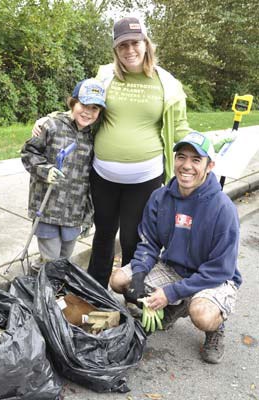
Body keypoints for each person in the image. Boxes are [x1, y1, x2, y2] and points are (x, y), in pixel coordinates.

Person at [32, 16, 193, 288]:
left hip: (145, 178)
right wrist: (49, 119)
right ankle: (95, 290)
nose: (130, 50)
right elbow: (84, 106)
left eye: (135, 43)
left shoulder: (167, 83)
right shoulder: (105, 76)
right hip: (103, 175)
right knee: (104, 234)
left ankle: (130, 293)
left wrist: (202, 149)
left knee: (133, 237)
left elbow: (179, 128)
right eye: (122, 45)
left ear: (146, 44)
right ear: (115, 50)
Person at [109, 131, 242, 364]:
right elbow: (149, 243)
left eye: (196, 160)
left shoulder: (223, 209)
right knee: (119, 280)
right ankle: (177, 305)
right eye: (181, 157)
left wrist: (170, 292)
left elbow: (220, 270)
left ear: (209, 166)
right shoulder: (160, 197)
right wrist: (139, 275)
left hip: (214, 278)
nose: (186, 166)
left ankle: (214, 328)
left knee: (202, 315)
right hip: (174, 268)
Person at [21, 78, 106, 271]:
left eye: (95, 108)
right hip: (48, 206)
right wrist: (45, 170)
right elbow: (28, 153)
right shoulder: (51, 126)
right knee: (52, 260)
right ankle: (47, 288)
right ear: (73, 102)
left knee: (64, 257)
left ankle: (41, 271)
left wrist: (88, 213)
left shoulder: (94, 136)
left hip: (74, 211)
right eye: (84, 105)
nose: (88, 112)